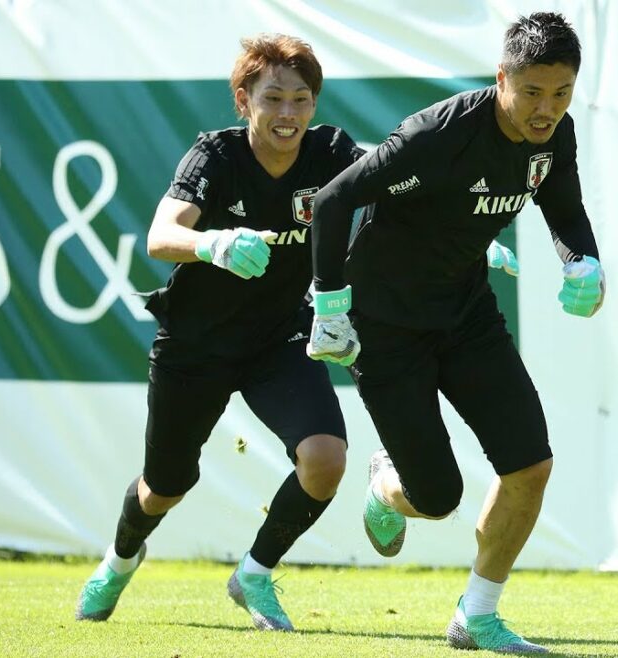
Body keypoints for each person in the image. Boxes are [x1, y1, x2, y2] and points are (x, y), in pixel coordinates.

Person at [307, 12, 603, 655]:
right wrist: (330, 303)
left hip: (467, 314)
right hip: (383, 327)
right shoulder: (436, 135)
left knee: (530, 464)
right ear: (502, 78)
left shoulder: (556, 136)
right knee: (437, 496)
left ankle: (478, 613)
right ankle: (385, 485)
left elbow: (564, 206)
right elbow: (332, 202)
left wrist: (584, 260)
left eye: (561, 93)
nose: (546, 110)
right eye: (532, 92)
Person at [73, 34, 363, 632]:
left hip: (279, 341)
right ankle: (121, 559)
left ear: (315, 105)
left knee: (326, 460)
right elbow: (159, 237)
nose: (288, 114)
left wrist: (470, 239)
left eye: (301, 100)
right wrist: (214, 243)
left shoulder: (332, 153)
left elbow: (404, 175)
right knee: (165, 487)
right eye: (273, 98)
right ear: (243, 100)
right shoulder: (215, 156)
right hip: (194, 346)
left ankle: (254, 573)